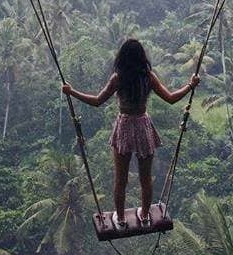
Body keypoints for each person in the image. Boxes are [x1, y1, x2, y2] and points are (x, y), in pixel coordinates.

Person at [62, 38, 199, 231]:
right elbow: (170, 98)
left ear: (122, 58)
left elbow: (97, 101)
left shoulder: (118, 78)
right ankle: (144, 215)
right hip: (143, 126)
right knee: (146, 178)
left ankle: (120, 218)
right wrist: (190, 85)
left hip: (124, 126)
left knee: (121, 179)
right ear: (141, 57)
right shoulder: (148, 77)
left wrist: (72, 92)